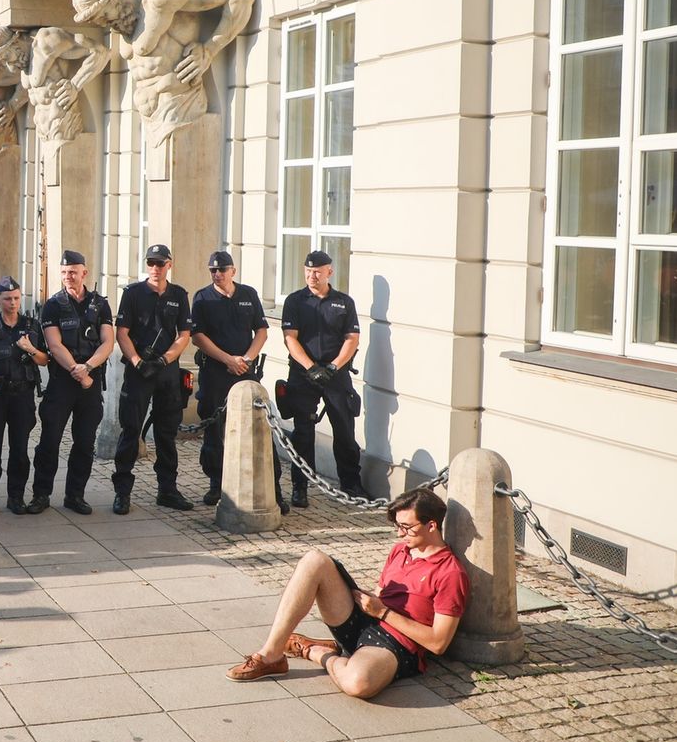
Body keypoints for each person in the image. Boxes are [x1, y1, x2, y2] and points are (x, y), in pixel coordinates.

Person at [227, 490, 470, 695]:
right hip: (366, 620)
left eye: (406, 527)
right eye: (398, 526)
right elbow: (380, 594)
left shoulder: (450, 573)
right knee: (315, 560)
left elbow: (439, 643)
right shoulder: (400, 551)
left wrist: (383, 612)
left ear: (431, 525)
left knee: (357, 684)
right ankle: (271, 656)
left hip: (395, 644)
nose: (399, 533)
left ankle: (317, 652)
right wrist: (368, 601)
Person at [28, 250, 115, 514]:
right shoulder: (53, 305)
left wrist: (88, 367)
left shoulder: (100, 304)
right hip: (62, 382)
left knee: (84, 443)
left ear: (84, 273)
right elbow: (54, 345)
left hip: (90, 381)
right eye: (64, 272)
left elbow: (108, 342)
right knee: (50, 441)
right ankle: (41, 495)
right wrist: (76, 370)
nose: (68, 277)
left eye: (73, 272)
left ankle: (75, 495)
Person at [113, 243, 195, 513]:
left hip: (167, 372)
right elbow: (122, 332)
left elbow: (184, 334)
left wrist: (164, 360)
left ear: (169, 265)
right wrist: (137, 362)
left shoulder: (179, 295)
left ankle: (167, 490)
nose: (155, 268)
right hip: (139, 371)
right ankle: (122, 492)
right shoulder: (133, 294)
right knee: (131, 431)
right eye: (151, 263)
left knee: (166, 434)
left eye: (160, 263)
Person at [190, 250, 273, 507]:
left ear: (232, 271)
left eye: (222, 270)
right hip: (216, 371)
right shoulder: (203, 297)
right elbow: (198, 336)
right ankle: (217, 484)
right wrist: (227, 359)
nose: (217, 274)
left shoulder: (248, 294)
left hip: (245, 370)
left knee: (254, 426)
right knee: (214, 429)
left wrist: (246, 359)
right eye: (213, 270)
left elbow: (261, 331)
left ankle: (267, 485)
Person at [281, 250, 364, 505]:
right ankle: (300, 488)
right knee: (303, 432)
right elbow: (290, 338)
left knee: (345, 431)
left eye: (317, 271)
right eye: (308, 271)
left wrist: (333, 367)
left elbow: (352, 339)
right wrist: (310, 367)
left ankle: (351, 485)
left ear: (330, 271)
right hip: (303, 375)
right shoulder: (296, 301)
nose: (312, 276)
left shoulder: (344, 302)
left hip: (335, 375)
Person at [0, 276, 46, 516]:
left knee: (20, 450)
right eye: (7, 299)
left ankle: (16, 497)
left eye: (16, 298)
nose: (13, 303)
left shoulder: (31, 325)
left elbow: (44, 360)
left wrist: (30, 348)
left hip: (22, 395)